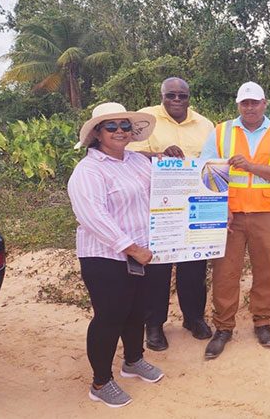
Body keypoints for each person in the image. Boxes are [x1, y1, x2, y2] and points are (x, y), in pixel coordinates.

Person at [67, 102, 164, 408]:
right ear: (97, 133)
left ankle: (133, 360)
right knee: (110, 317)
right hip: (105, 257)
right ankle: (100, 381)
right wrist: (131, 248)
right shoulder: (89, 170)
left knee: (137, 311)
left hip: (141, 252)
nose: (120, 131)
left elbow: (164, 196)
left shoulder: (137, 161)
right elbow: (93, 216)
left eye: (125, 126)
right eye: (112, 127)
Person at [199, 82, 270, 359]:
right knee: (224, 272)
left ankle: (262, 321)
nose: (250, 107)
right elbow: (207, 171)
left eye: (255, 102)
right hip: (230, 215)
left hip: (266, 214)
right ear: (238, 104)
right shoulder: (221, 131)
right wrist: (220, 206)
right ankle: (223, 327)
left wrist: (252, 166)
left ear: (265, 103)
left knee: (265, 270)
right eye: (245, 103)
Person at [127, 77, 215, 350]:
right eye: (171, 96)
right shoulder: (144, 119)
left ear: (190, 97)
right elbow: (127, 155)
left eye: (182, 96)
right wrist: (159, 154)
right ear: (161, 95)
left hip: (193, 205)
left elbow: (212, 164)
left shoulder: (205, 125)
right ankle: (154, 325)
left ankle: (193, 317)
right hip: (157, 206)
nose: (176, 101)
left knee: (194, 265)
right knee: (157, 268)